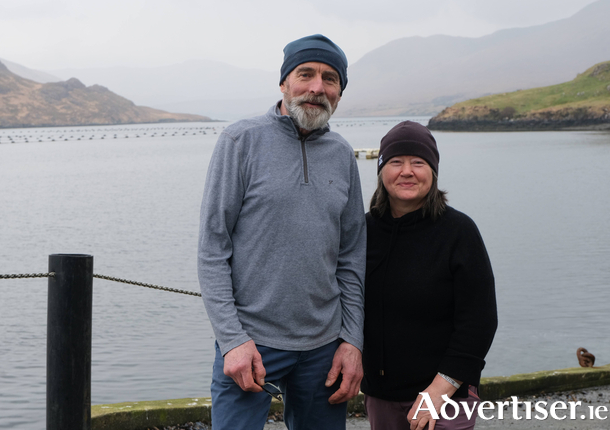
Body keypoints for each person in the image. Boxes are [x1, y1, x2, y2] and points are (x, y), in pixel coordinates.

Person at [197, 34, 367, 430]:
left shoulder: (342, 155)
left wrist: (352, 341)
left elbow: (352, 257)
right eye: (305, 74)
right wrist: (231, 339)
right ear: (283, 83)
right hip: (250, 343)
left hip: (325, 348)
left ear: (340, 92)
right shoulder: (241, 141)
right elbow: (212, 248)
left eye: (330, 79)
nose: (316, 88)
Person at [361, 121, 498, 430]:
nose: (406, 171)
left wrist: (439, 391)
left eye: (418, 163)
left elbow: (479, 322)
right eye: (396, 162)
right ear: (382, 170)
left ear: (433, 172)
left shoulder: (459, 232)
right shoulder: (362, 231)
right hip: (381, 395)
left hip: (447, 395)